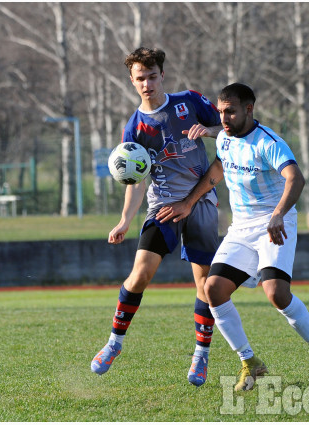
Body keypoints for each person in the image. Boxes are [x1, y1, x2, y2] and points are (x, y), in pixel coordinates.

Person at [158, 83, 309, 392]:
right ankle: (250, 362)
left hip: (274, 223)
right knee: (213, 288)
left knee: (277, 293)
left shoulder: (269, 142)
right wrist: (188, 203)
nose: (224, 118)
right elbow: (218, 169)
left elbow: (296, 177)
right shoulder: (225, 137)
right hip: (241, 229)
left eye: (231, 112)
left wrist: (279, 213)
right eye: (221, 112)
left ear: (249, 110)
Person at [90, 47, 223, 387]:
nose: (147, 84)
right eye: (140, 78)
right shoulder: (134, 128)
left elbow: (231, 137)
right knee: (140, 275)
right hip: (163, 205)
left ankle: (200, 356)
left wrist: (208, 132)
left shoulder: (190, 103)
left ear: (162, 75)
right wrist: (123, 220)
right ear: (131, 81)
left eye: (152, 76)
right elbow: (134, 181)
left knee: (204, 284)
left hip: (202, 201)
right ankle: (113, 343)